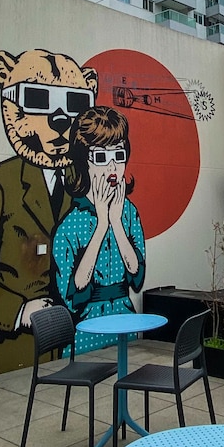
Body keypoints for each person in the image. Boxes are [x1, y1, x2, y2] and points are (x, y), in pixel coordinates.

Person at [0, 48, 98, 377]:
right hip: (14, 353)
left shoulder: (82, 183)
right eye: (36, 98)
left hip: (73, 347)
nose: (60, 119)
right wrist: (21, 311)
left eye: (75, 103)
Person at [52, 106, 146, 354]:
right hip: (86, 328)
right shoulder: (71, 224)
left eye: (119, 154)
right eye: (101, 157)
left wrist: (116, 221)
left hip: (125, 320)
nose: (112, 166)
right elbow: (73, 292)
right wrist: (102, 224)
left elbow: (136, 272)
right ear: (84, 160)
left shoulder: (129, 212)